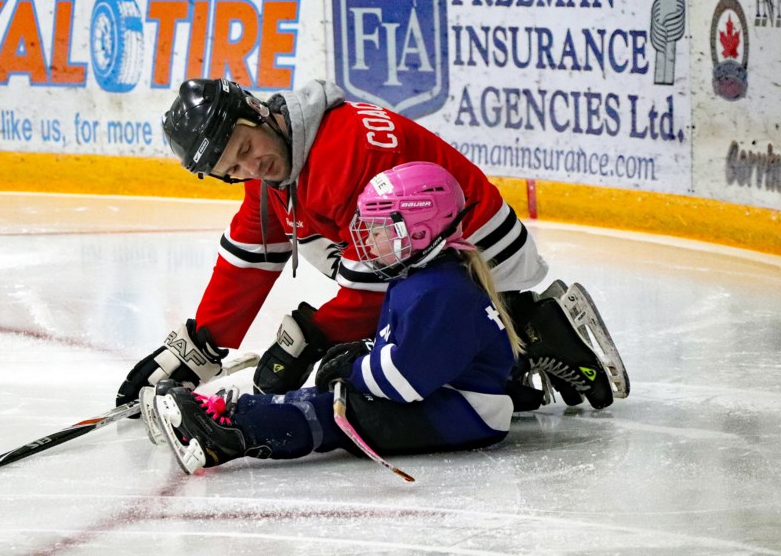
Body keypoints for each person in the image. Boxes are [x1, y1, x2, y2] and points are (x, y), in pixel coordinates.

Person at [115, 78, 628, 414]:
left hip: (477, 254)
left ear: (258, 113)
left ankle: (528, 323)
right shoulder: (283, 162)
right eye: (232, 170)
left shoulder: (344, 150)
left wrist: (312, 336)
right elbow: (252, 254)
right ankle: (499, 351)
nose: (251, 169)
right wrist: (201, 344)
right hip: (428, 252)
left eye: (247, 150)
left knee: (389, 367)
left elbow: (370, 287)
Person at [151, 162, 528, 474]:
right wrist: (359, 357)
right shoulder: (423, 278)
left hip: (462, 414)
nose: (367, 238)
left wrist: (354, 369)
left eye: (380, 229)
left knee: (337, 410)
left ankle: (226, 435)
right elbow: (403, 349)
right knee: (330, 396)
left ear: (421, 230)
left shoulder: (439, 292)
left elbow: (404, 382)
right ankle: (230, 415)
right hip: (450, 402)